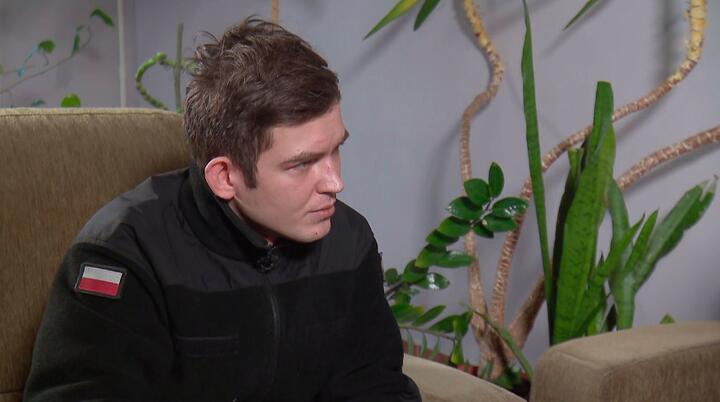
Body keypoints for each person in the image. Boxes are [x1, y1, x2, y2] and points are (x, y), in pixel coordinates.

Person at [23, 18, 421, 402]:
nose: (335, 182)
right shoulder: (124, 256)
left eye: (336, 150)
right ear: (225, 177)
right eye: (302, 164)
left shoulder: (348, 240)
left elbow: (376, 385)